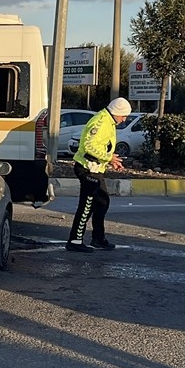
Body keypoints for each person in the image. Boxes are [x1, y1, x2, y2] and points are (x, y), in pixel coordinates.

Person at [66, 97, 131, 253]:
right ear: (116, 112)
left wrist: (110, 160)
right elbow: (89, 146)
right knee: (87, 206)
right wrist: (109, 158)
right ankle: (74, 241)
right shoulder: (101, 122)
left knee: (102, 202)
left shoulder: (109, 121)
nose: (124, 120)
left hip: (96, 169)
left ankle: (98, 238)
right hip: (87, 168)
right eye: (124, 116)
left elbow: (101, 146)